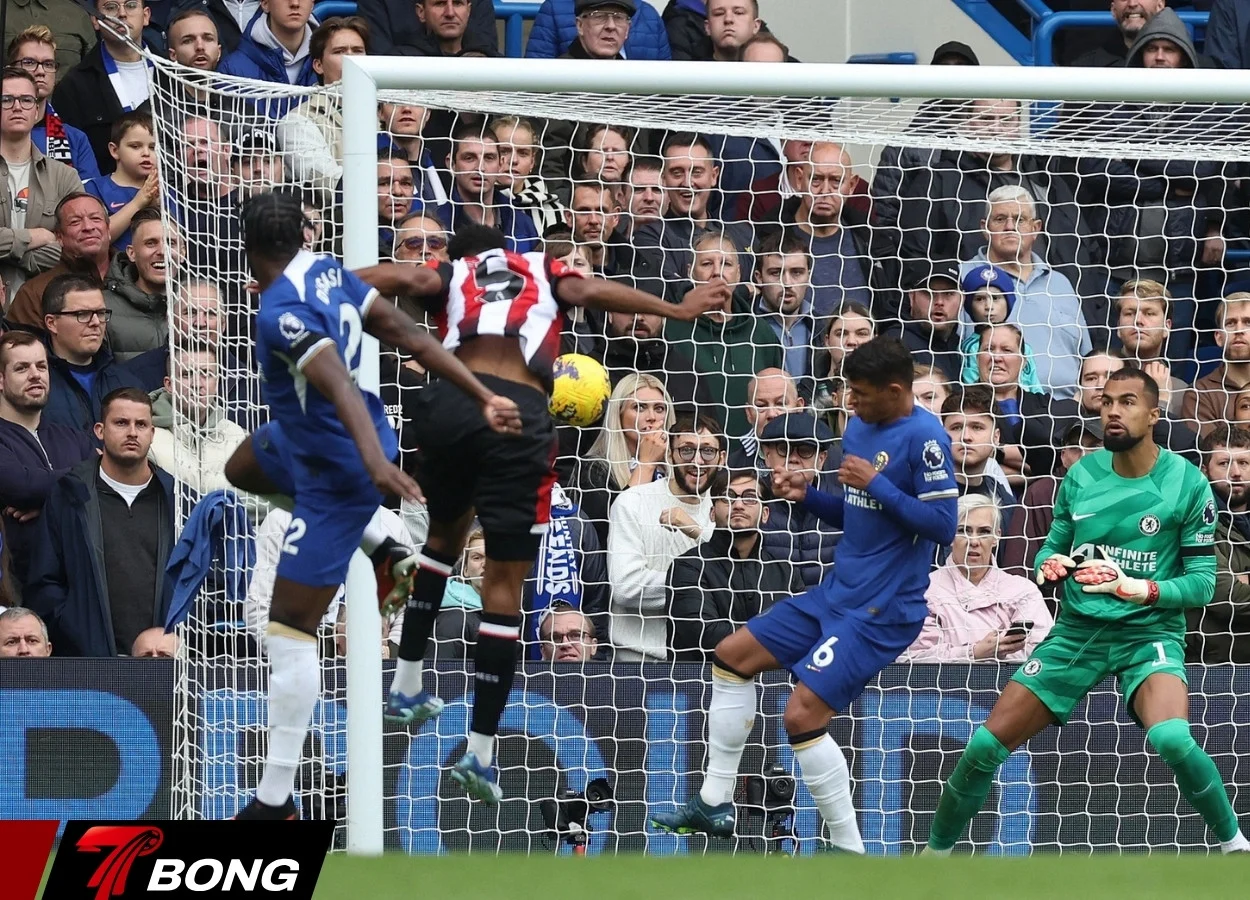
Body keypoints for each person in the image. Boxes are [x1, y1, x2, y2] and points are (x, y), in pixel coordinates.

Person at [380, 223, 727, 803]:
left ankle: (408, 682)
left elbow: (400, 278)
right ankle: (481, 752)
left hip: (448, 406)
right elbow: (591, 292)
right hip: (517, 413)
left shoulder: (449, 275)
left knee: (440, 548)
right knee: (503, 589)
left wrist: (322, 286)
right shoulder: (540, 269)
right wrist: (677, 306)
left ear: (459, 257)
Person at [219, 192, 525, 820]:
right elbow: (406, 331)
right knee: (241, 466)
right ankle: (384, 546)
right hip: (312, 439)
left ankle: (273, 802)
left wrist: (375, 465)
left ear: (245, 248)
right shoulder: (328, 270)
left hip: (342, 466)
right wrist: (479, 390)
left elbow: (332, 378)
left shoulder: (278, 309)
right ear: (300, 236)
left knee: (288, 633)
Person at [925, 368, 1250, 857]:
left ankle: (1234, 848)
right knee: (983, 748)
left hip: (1148, 633)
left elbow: (1204, 584)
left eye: (1127, 402)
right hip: (1077, 634)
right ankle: (932, 858)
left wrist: (1138, 587)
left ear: (1155, 414)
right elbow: (1049, 553)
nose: (1114, 411)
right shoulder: (1079, 475)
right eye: (1106, 403)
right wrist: (1050, 565)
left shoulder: (1188, 484)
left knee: (1174, 740)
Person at [651, 336, 958, 850]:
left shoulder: (926, 439)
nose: (849, 402)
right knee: (731, 656)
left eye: (859, 393)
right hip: (838, 591)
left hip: (883, 609)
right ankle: (713, 803)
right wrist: (810, 497)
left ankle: (848, 850)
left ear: (895, 389)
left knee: (801, 715)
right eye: (847, 391)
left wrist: (877, 484)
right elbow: (864, 514)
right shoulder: (859, 426)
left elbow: (943, 526)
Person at [25, 387, 175, 657]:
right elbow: (44, 581)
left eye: (141, 424)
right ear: (99, 430)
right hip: (89, 665)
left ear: (153, 433)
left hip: (161, 663)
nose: (132, 432)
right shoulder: (69, 494)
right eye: (121, 422)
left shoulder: (176, 498)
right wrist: (76, 629)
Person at [608, 413, 724, 662]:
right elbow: (626, 587)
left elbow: (734, 580)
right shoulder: (633, 502)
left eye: (707, 451)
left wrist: (693, 527)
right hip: (639, 660)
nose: (697, 461)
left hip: (706, 663)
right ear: (670, 455)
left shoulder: (728, 509)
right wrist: (698, 584)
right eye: (686, 450)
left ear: (722, 458)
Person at [958, 186, 1092, 398]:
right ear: (985, 228)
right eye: (1000, 219)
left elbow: (1086, 355)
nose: (1010, 227)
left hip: (1068, 409)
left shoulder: (1060, 283)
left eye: (1020, 219)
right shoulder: (962, 277)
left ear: (1036, 228)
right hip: (996, 408)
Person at [667, 468, 799, 662]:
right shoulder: (688, 567)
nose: (738, 504)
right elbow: (705, 635)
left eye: (750, 497)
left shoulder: (785, 572)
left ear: (765, 514)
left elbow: (802, 633)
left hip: (772, 686)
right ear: (712, 513)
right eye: (727, 497)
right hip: (702, 686)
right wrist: (776, 632)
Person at [901, 494, 1053, 662]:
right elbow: (911, 658)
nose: (974, 541)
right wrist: (975, 652)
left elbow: (1045, 655)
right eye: (963, 530)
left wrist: (993, 651)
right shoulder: (923, 591)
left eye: (984, 532)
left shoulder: (1023, 590)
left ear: (997, 537)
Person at [663, 231, 783, 438]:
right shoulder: (670, 329)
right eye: (707, 263)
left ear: (738, 273)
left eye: (726, 264)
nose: (717, 272)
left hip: (755, 458)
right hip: (694, 456)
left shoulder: (762, 333)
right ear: (690, 271)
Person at [0, 332, 93, 588]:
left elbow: (104, 484)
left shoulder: (74, 437)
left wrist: (47, 506)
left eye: (41, 366)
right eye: (21, 368)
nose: (35, 375)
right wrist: (79, 481)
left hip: (81, 580)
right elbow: (21, 486)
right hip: (21, 586)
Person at [1, 67, 82, 297]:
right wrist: (34, 237)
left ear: (37, 110)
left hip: (43, 309)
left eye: (26, 100)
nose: (17, 106)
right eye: (6, 99)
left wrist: (9, 250)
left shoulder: (65, 176)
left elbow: (76, 247)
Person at [51, 0, 153, 175]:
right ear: (95, 21)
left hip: (173, 195)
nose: (122, 14)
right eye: (111, 7)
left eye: (130, 5)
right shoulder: (74, 85)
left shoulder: (173, 74)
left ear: (145, 16)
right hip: (105, 197)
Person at [40, 273, 145, 436]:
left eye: (101, 313)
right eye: (82, 314)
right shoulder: (34, 385)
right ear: (52, 323)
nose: (96, 322)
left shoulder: (127, 383)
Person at [575, 372, 674, 543]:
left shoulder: (679, 468)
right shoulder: (594, 469)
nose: (652, 417)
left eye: (659, 408)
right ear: (618, 414)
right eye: (639, 407)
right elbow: (612, 534)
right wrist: (646, 464)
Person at [1188, 425, 1250, 664]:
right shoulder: (1195, 521)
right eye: (1224, 463)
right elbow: (1226, 597)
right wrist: (1237, 581)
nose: (1236, 472)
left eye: (1244, 463)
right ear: (1205, 470)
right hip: (1212, 662)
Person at [6, 27, 100, 183]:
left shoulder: (75, 139)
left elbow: (89, 201)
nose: (41, 71)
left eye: (48, 64)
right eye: (29, 62)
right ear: (11, 70)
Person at [6, 192, 111, 329]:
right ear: (59, 237)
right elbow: (23, 347)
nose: (88, 227)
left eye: (96, 219)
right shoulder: (35, 293)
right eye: (75, 222)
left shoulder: (135, 273)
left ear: (108, 230)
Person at [103, 208, 173, 362]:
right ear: (132, 253)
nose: (162, 251)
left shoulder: (202, 304)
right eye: (151, 243)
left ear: (183, 251)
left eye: (171, 242)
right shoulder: (103, 307)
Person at [85, 111, 158, 251]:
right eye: (135, 146)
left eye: (152, 147)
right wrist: (138, 202)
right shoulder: (95, 188)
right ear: (114, 150)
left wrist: (157, 205)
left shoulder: (167, 193)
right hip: (113, 270)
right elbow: (98, 237)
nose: (146, 153)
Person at [1181, 293, 1250, 437]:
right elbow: (1210, 454)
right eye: (1230, 323)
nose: (1239, 330)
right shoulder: (1200, 393)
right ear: (1218, 337)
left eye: (1248, 322)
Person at [941, 384, 1017, 512]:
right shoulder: (928, 490)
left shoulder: (1002, 498)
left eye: (977, 427)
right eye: (956, 427)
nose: (965, 437)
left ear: (996, 437)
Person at [752, 232, 815, 382]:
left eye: (797, 272)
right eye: (776, 273)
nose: (787, 283)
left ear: (809, 276)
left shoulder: (822, 326)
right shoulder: (744, 324)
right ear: (759, 277)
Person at [888, 259, 963, 382]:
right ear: (912, 297)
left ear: (962, 299)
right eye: (929, 293)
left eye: (948, 293)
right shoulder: (896, 345)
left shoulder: (960, 345)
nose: (939, 302)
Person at [217, 0, 318, 88]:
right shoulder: (232, 70)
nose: (295, 3)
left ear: (312, 3)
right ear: (265, 3)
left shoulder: (330, 59)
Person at [526, 0, 671, 60]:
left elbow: (666, 91)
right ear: (580, 25)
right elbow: (534, 83)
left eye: (619, 18)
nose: (611, 26)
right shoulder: (554, 8)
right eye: (599, 17)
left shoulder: (649, 14)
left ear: (628, 29)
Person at [357, 0, 497, 57]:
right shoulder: (403, 56)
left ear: (469, 10)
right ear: (421, 12)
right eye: (440, 3)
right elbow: (381, 67)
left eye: (457, 3)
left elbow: (487, 48)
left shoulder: (488, 58)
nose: (450, 13)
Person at [1068, 0, 1165, 67]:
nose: (1132, 3)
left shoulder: (1177, 63)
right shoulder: (1086, 68)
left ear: (1160, 6)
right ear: (1113, 10)